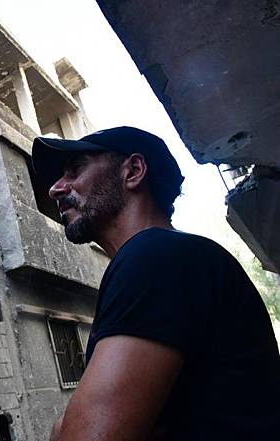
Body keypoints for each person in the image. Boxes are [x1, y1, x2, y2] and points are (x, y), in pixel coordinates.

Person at [31, 127, 280, 440]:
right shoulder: (164, 259)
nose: (55, 189)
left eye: (76, 169)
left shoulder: (155, 257)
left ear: (133, 171)